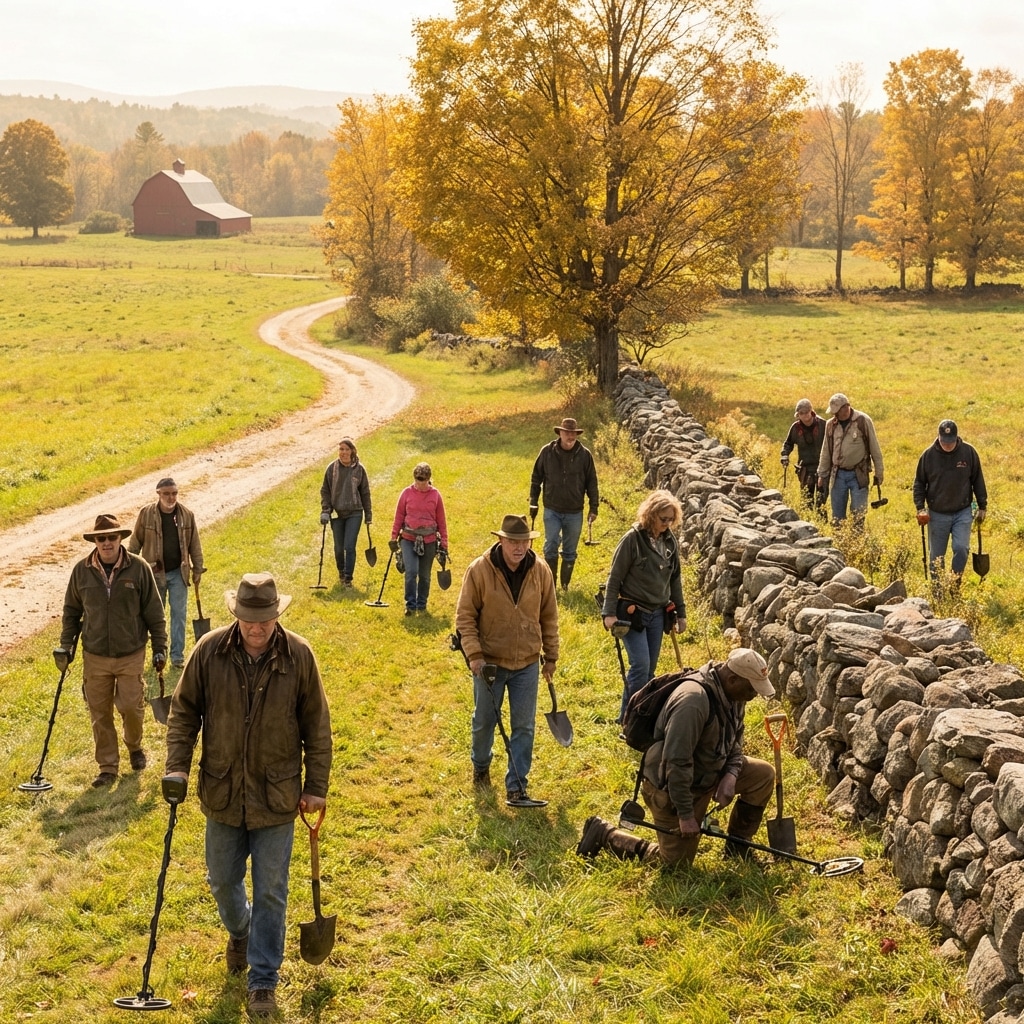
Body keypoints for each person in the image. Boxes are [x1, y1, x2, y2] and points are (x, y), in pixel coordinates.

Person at [165, 573, 332, 1019]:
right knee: (222, 879)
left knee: (272, 890)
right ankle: (241, 929)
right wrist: (177, 766)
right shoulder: (209, 652)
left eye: (265, 620)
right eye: (249, 620)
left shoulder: (299, 656)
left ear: (277, 615)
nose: (257, 628)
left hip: (276, 794)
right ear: (235, 615)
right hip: (222, 789)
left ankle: (263, 979)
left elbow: (317, 725)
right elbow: (183, 713)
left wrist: (316, 786)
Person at [577, 649, 776, 866]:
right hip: (672, 787)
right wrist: (686, 815)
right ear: (733, 679)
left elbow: (735, 740)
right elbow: (676, 761)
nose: (754, 695)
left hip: (708, 771)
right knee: (674, 865)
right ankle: (605, 834)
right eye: (751, 689)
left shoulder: (734, 694)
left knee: (763, 775)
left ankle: (737, 847)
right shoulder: (693, 701)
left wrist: (731, 773)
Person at [456, 514, 559, 807]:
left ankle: (517, 786)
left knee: (524, 726)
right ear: (500, 540)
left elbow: (549, 616)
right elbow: (465, 617)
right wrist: (474, 655)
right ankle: (480, 765)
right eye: (513, 541)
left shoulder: (541, 571)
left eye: (524, 541)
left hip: (526, 661)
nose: (518, 547)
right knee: (484, 721)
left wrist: (551, 655)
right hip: (489, 662)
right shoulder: (479, 570)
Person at [58, 513, 167, 787]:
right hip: (95, 654)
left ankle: (135, 747)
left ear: (120, 539)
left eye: (111, 537)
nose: (106, 543)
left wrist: (160, 647)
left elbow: (154, 611)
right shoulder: (81, 570)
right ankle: (107, 767)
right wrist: (66, 645)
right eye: (101, 538)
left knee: (131, 706)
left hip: (131, 652)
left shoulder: (138, 568)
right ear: (95, 541)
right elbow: (71, 612)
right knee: (99, 712)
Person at [601, 489, 686, 723]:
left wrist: (681, 614)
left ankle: (641, 718)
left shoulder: (670, 543)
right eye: (663, 519)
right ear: (650, 515)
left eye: (671, 519)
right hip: (632, 613)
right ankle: (626, 718)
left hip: (658, 614)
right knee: (640, 665)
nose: (667, 524)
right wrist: (608, 613)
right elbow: (615, 577)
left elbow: (675, 579)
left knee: (650, 671)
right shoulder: (632, 540)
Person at [128, 476, 205, 668]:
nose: (171, 498)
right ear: (158, 494)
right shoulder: (146, 514)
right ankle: (158, 654)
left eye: (174, 493)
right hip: (153, 575)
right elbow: (135, 542)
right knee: (155, 616)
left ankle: (177, 656)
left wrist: (197, 568)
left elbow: (194, 544)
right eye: (166, 494)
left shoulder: (187, 515)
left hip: (179, 573)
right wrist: (128, 569)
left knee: (179, 614)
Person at [529, 416, 600, 591]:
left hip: (575, 511)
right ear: (560, 433)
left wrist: (594, 507)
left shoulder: (585, 455)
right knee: (550, 545)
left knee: (570, 551)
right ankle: (550, 585)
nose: (570, 437)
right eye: (567, 433)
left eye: (573, 433)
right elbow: (536, 477)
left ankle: (565, 585)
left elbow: (592, 482)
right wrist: (533, 501)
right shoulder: (547, 452)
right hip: (552, 508)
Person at [913, 419, 988, 582]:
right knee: (936, 558)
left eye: (951, 442)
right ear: (938, 437)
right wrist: (920, 508)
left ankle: (955, 582)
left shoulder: (969, 453)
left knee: (961, 548)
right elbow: (919, 483)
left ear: (956, 437)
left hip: (963, 511)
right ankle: (938, 592)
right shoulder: (928, 456)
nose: (947, 445)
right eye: (944, 442)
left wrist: (982, 505)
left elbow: (977, 479)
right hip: (937, 513)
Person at [390, 462, 449, 616]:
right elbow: (399, 516)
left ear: (429, 479)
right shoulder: (406, 494)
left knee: (424, 575)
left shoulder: (435, 495)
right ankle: (410, 604)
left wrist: (444, 543)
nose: (420, 482)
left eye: (423, 479)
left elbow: (442, 521)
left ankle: (421, 604)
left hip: (429, 540)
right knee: (411, 571)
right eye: (417, 479)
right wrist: (393, 537)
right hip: (408, 538)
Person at [816, 393, 884, 523]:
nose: (834, 415)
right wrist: (822, 474)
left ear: (846, 408)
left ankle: (857, 539)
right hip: (838, 475)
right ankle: (839, 539)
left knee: (858, 513)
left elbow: (875, 448)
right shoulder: (830, 425)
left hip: (858, 474)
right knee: (837, 516)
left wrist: (879, 472)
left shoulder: (863, 421)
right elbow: (826, 450)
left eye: (837, 412)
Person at [320, 436, 372, 587]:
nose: (343, 452)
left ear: (352, 451)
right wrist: (325, 510)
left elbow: (365, 493)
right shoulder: (332, 469)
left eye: (346, 449)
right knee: (338, 548)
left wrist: (368, 514)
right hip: (337, 513)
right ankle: (341, 572)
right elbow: (325, 491)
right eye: (341, 449)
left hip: (355, 512)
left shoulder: (359, 469)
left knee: (349, 546)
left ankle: (348, 578)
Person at [780, 399, 827, 510]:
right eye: (801, 413)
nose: (805, 415)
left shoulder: (823, 425)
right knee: (807, 501)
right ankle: (808, 522)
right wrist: (785, 455)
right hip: (805, 469)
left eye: (807, 412)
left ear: (812, 411)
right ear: (798, 415)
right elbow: (788, 444)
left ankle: (821, 523)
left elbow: (832, 444)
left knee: (822, 501)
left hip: (823, 468)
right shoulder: (795, 428)